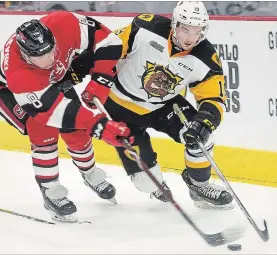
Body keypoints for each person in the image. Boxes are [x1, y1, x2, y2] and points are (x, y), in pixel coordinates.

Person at [0, 11, 132, 222]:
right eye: (39, 56)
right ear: (26, 56)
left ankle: (90, 173)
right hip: (8, 91)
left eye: (51, 50)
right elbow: (53, 112)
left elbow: (110, 42)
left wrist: (100, 81)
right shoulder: (20, 76)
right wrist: (98, 125)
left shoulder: (64, 23)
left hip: (51, 82)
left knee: (78, 133)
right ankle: (50, 190)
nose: (49, 58)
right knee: (43, 132)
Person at [87, 1, 234, 209]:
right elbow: (109, 48)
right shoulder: (145, 28)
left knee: (202, 135)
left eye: (197, 31)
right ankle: (154, 185)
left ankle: (198, 186)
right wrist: (94, 73)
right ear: (174, 24)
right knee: (145, 182)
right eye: (185, 30)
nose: (190, 38)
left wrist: (204, 122)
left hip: (163, 106)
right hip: (119, 107)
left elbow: (214, 98)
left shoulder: (205, 57)